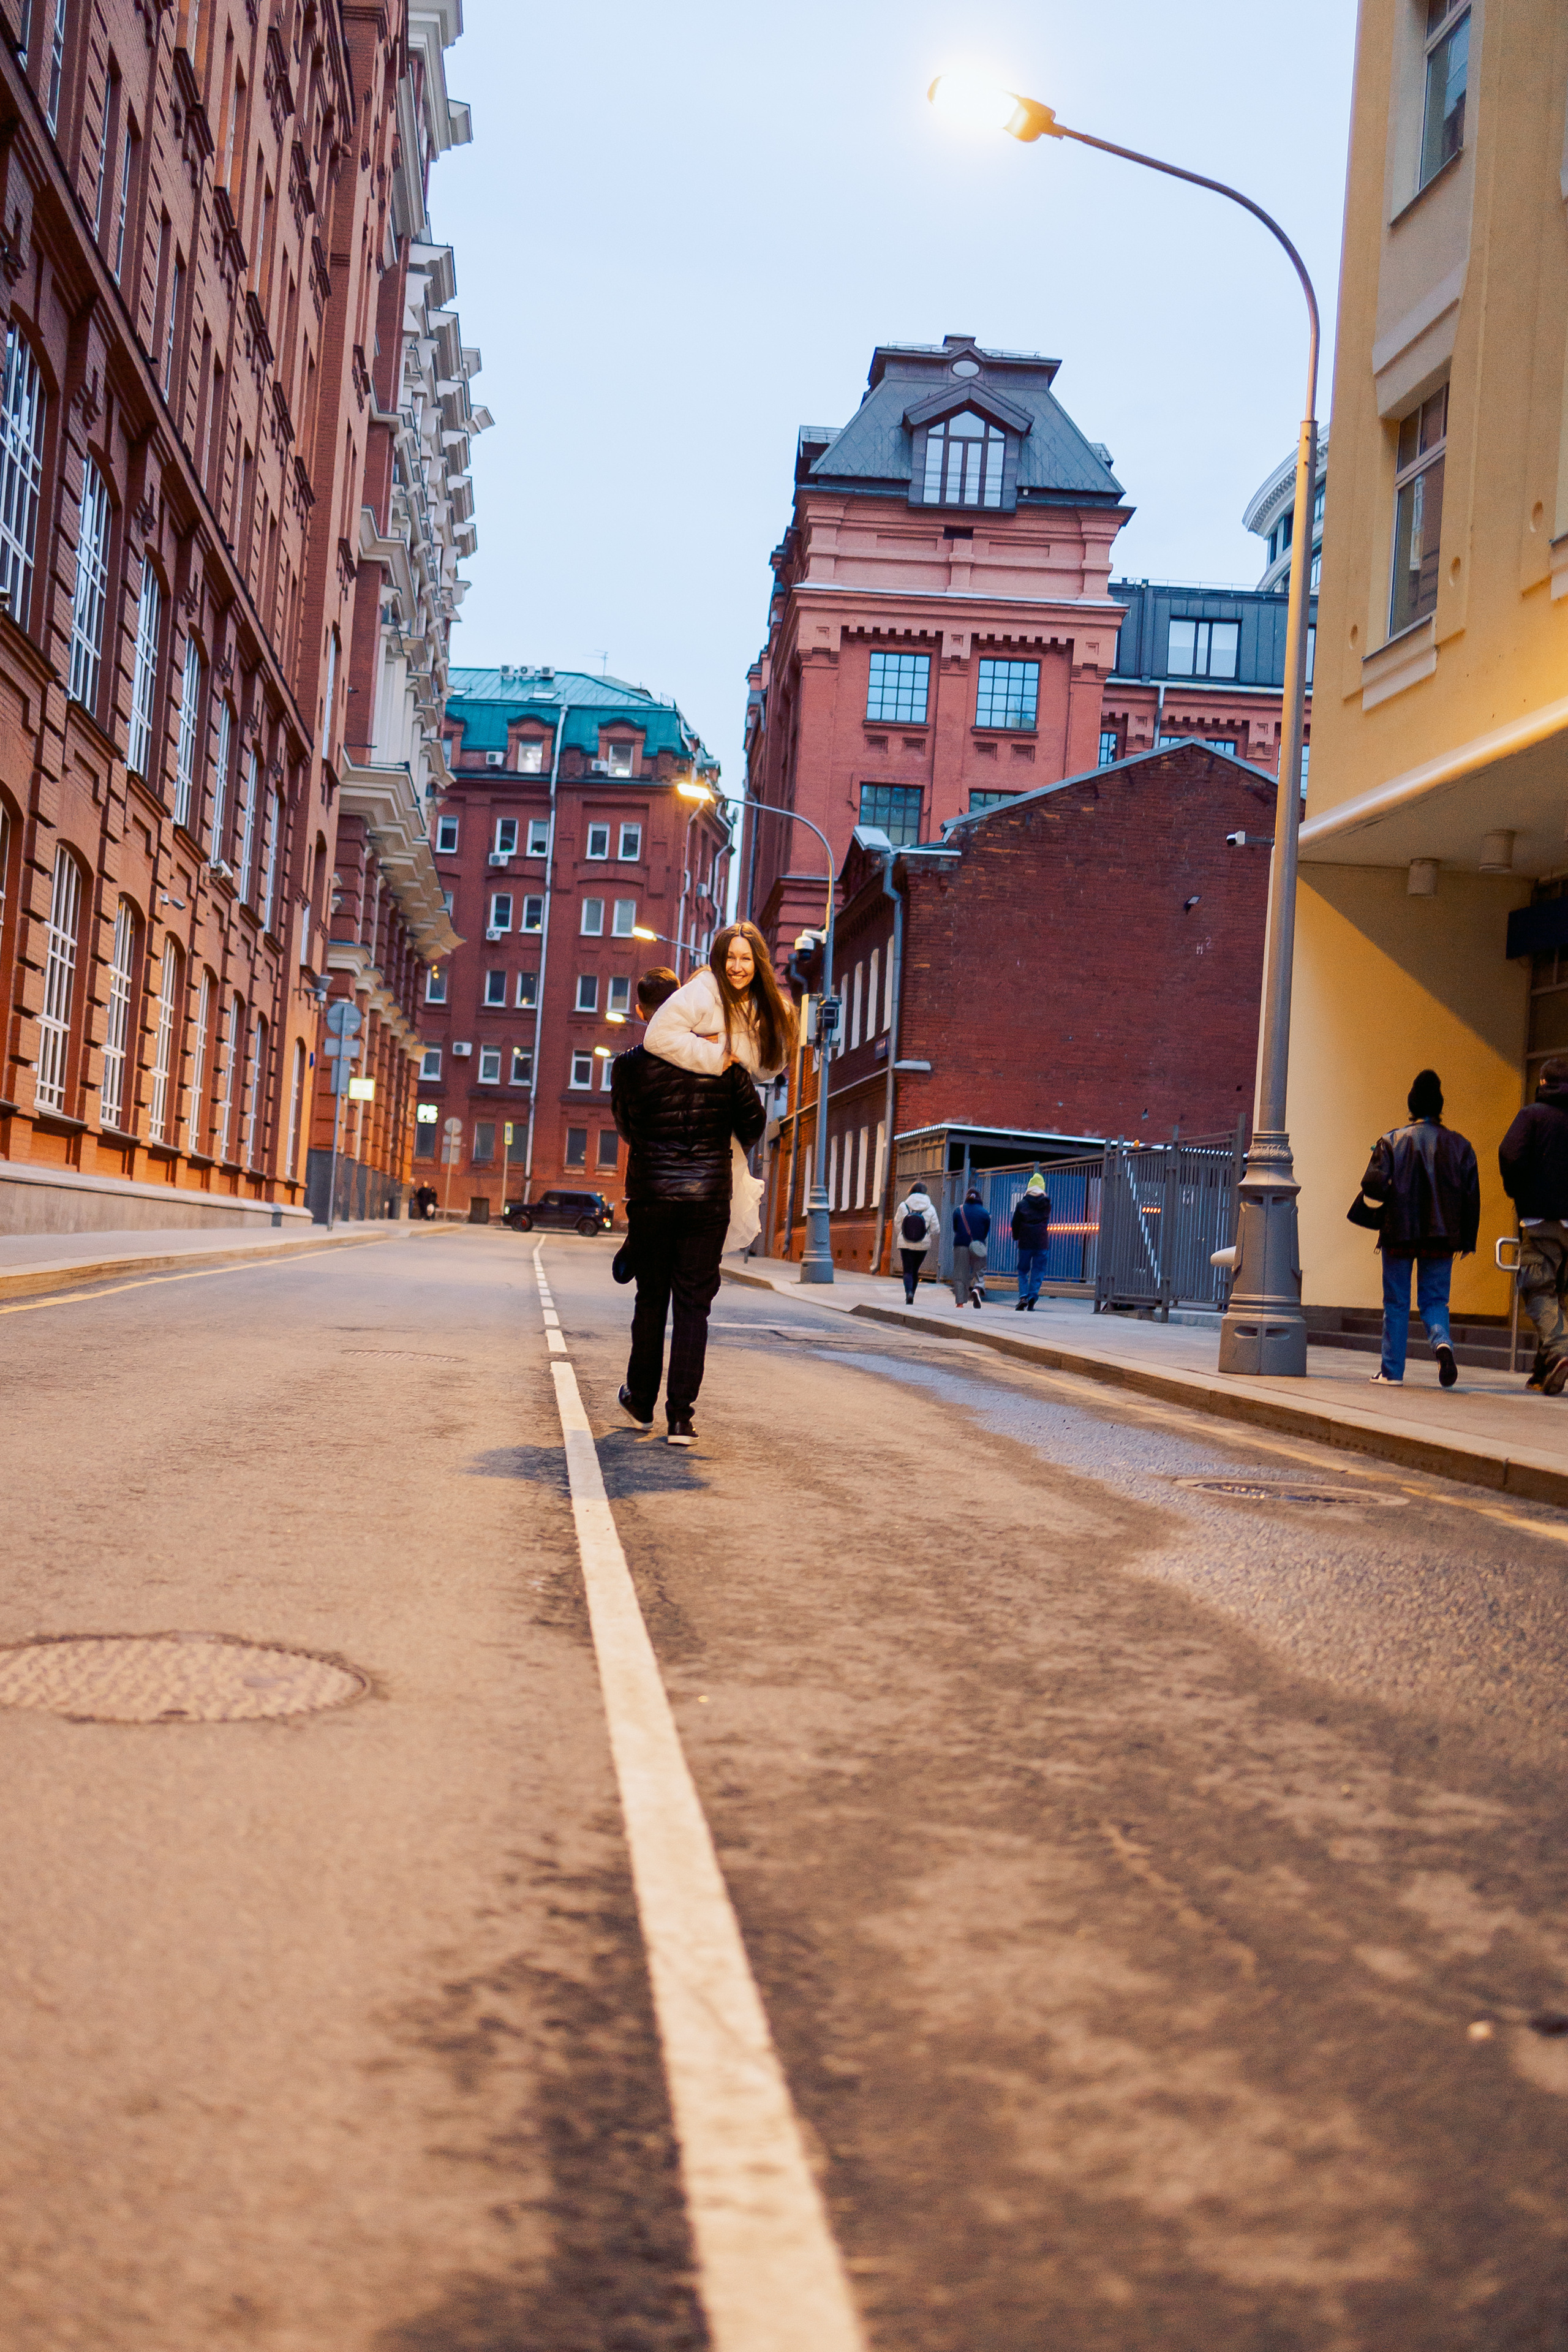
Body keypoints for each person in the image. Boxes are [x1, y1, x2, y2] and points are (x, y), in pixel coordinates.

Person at [611, 963, 765, 1446]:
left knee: (651, 1300)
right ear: (685, 1003)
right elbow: (754, 1124)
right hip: (708, 1199)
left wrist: (660, 1149)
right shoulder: (724, 1062)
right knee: (694, 1308)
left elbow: (627, 1128)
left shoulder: (629, 1065)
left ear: (642, 1011)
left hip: (653, 1195)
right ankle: (681, 1419)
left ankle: (641, 1402)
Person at [643, 921, 797, 1256]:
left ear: (758, 962)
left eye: (746, 959)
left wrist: (724, 1044)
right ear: (718, 959)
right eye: (730, 957)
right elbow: (656, 1037)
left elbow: (769, 1063)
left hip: (722, 1128)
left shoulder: (769, 1007)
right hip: (684, 1117)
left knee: (707, 1234)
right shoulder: (704, 990)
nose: (737, 967)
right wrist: (715, 1054)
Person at [1359, 1068, 1479, 1388]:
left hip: (1399, 1233)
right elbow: (1471, 1198)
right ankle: (1442, 1344)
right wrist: (1466, 1240)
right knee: (1435, 1300)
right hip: (1441, 1238)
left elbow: (1372, 1187)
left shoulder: (1392, 1140)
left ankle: (1392, 1372)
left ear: (1412, 1105)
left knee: (1396, 1303)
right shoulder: (1461, 1146)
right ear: (1439, 1106)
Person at [1499, 1054, 1568, 1393]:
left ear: (1543, 1083)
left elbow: (1510, 1154)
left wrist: (1519, 1193)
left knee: (1538, 1287)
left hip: (1542, 1218)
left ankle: (1559, 1352)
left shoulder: (1532, 1116)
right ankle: (1542, 1374)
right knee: (1558, 1294)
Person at [1011, 1173, 1052, 1311]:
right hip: (1041, 1242)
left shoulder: (1021, 1204)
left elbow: (1015, 1223)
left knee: (1023, 1270)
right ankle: (1033, 1296)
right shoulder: (1047, 1204)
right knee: (1038, 1270)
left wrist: (1016, 1236)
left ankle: (1023, 1297)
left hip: (1025, 1242)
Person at [894, 1180, 937, 1303]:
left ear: (911, 1191)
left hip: (905, 1244)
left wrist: (902, 1235)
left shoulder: (903, 1206)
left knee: (907, 1270)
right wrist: (927, 1235)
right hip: (922, 1245)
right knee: (915, 1270)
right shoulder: (930, 1208)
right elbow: (936, 1228)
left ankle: (909, 1293)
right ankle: (913, 1293)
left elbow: (897, 1224)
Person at [952, 1188, 990, 1308]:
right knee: (979, 1271)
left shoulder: (958, 1210)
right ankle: (977, 1289)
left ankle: (960, 1303)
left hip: (961, 1245)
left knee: (960, 1274)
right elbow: (985, 1232)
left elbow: (955, 1228)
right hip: (978, 1245)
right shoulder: (985, 1213)